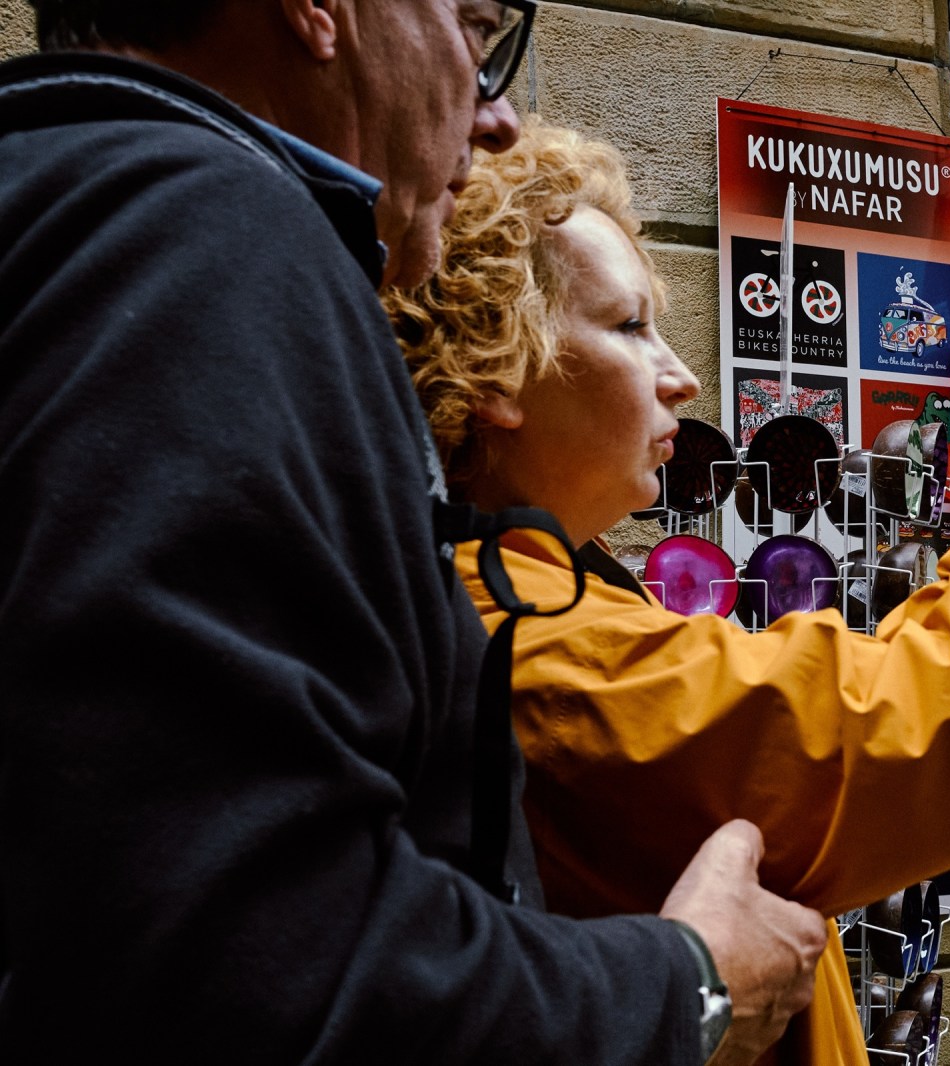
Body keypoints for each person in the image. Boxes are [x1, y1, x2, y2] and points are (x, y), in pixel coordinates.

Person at [0, 4, 826, 1064]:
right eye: (476, 29)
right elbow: (260, 977)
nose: (497, 117)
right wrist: (685, 988)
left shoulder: (73, 209)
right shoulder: (205, 233)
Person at [386, 120, 950, 1064]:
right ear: (497, 367)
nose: (683, 375)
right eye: (630, 327)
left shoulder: (543, 600)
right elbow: (928, 719)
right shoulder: (535, 647)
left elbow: (882, 680)